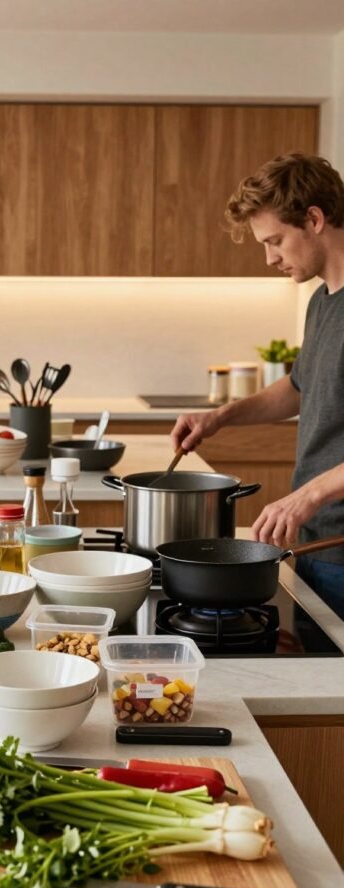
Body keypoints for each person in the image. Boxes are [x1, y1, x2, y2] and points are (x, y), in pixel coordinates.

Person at [170, 152, 344, 618]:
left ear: (314, 219)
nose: (269, 257)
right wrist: (220, 417)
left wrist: (308, 494)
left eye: (276, 241)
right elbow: (296, 387)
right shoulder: (323, 302)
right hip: (315, 542)